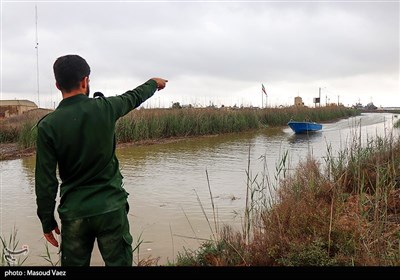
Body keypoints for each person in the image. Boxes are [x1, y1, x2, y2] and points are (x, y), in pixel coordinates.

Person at [35, 54, 167, 266]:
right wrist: (154, 83)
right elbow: (133, 96)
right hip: (111, 208)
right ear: (85, 81)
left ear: (58, 85)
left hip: (74, 212)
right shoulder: (105, 107)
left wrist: (46, 220)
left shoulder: (47, 126)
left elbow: (45, 181)